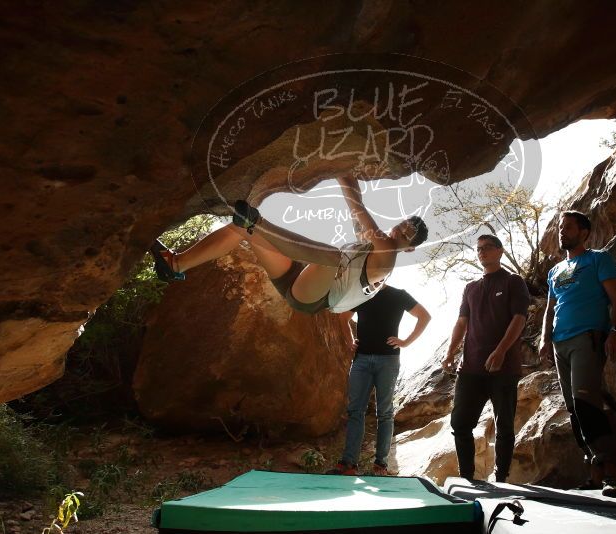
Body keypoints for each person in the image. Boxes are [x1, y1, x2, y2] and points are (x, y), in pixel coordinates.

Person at [150, 174, 428, 314]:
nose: (402, 230)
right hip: (299, 275)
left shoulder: (387, 257)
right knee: (242, 230)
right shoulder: (370, 245)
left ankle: (258, 222)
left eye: (408, 234)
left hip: (316, 297)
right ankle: (174, 264)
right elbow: (355, 201)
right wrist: (343, 168)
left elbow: (358, 209)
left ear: (410, 248)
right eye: (404, 223)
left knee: (333, 256)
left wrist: (341, 171)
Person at [538, 210, 616, 497]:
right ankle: (594, 469)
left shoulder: (597, 259)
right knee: (574, 409)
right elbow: (550, 309)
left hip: (588, 338)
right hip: (559, 344)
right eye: (560, 228)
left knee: (586, 402)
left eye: (568, 228)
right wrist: (544, 339)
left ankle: (612, 471)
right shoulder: (554, 271)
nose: (561, 232)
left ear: (584, 232)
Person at [442, 235, 530, 482]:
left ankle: (501, 478)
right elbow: (462, 322)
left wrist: (501, 350)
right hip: (470, 368)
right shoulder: (470, 288)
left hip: (503, 368)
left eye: (487, 248)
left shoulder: (513, 282)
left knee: (503, 427)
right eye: (479, 249)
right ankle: (467, 478)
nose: (482, 252)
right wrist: (450, 352)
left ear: (500, 251)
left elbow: (519, 319)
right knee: (460, 424)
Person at [328, 285, 431, 476]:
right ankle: (349, 464)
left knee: (384, 412)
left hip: (388, 360)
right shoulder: (360, 293)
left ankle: (380, 466)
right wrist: (350, 340)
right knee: (355, 411)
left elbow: (424, 316)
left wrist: (406, 342)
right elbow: (343, 318)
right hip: (362, 360)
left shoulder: (399, 295)